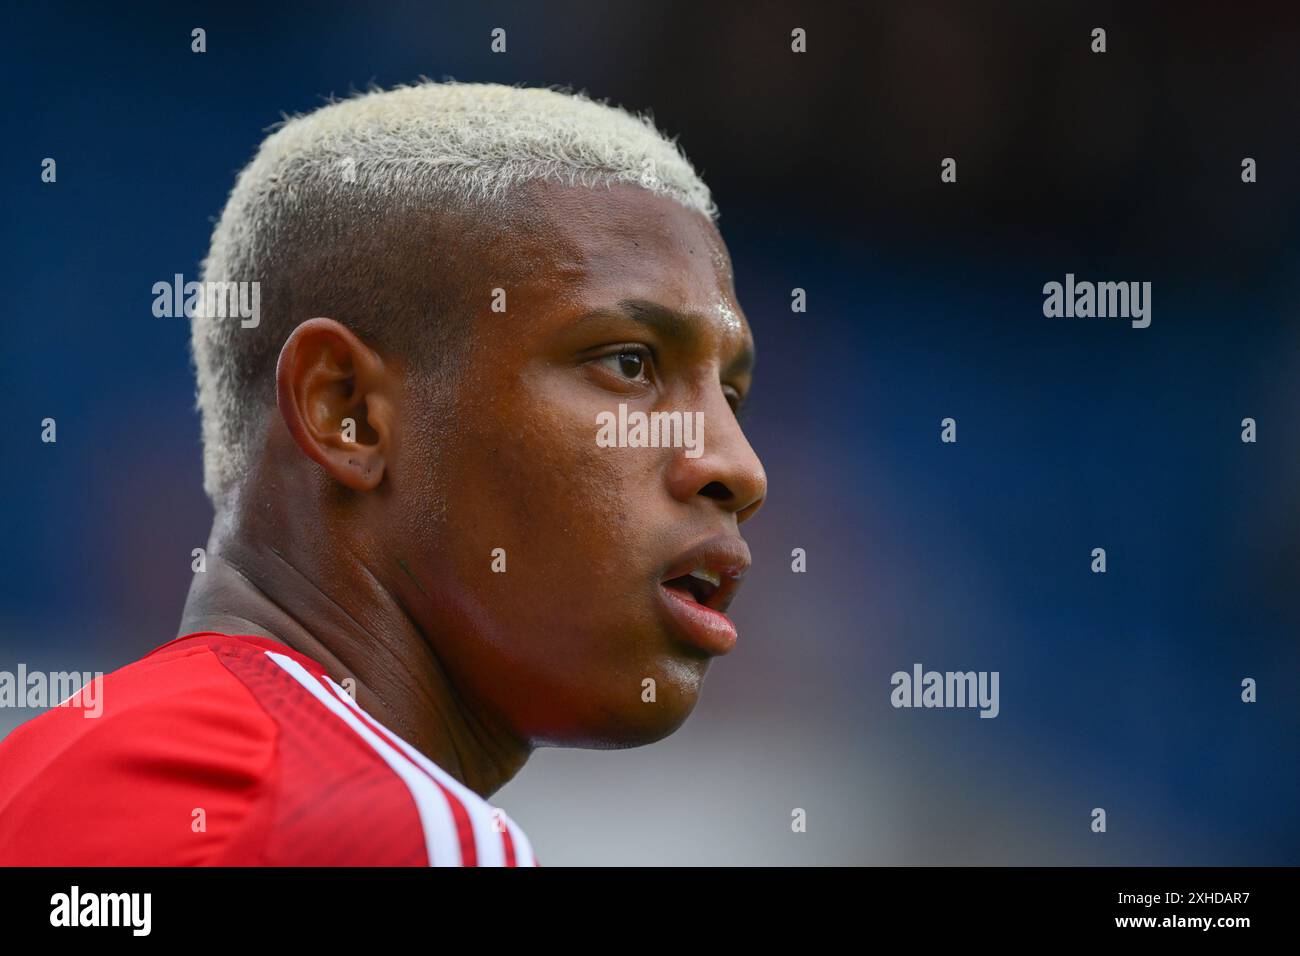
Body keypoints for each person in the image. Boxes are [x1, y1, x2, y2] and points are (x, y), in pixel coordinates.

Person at [0, 81, 766, 865]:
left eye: (731, 395)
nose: (739, 468)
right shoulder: (399, 834)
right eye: (630, 364)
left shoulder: (25, 779)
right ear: (349, 411)